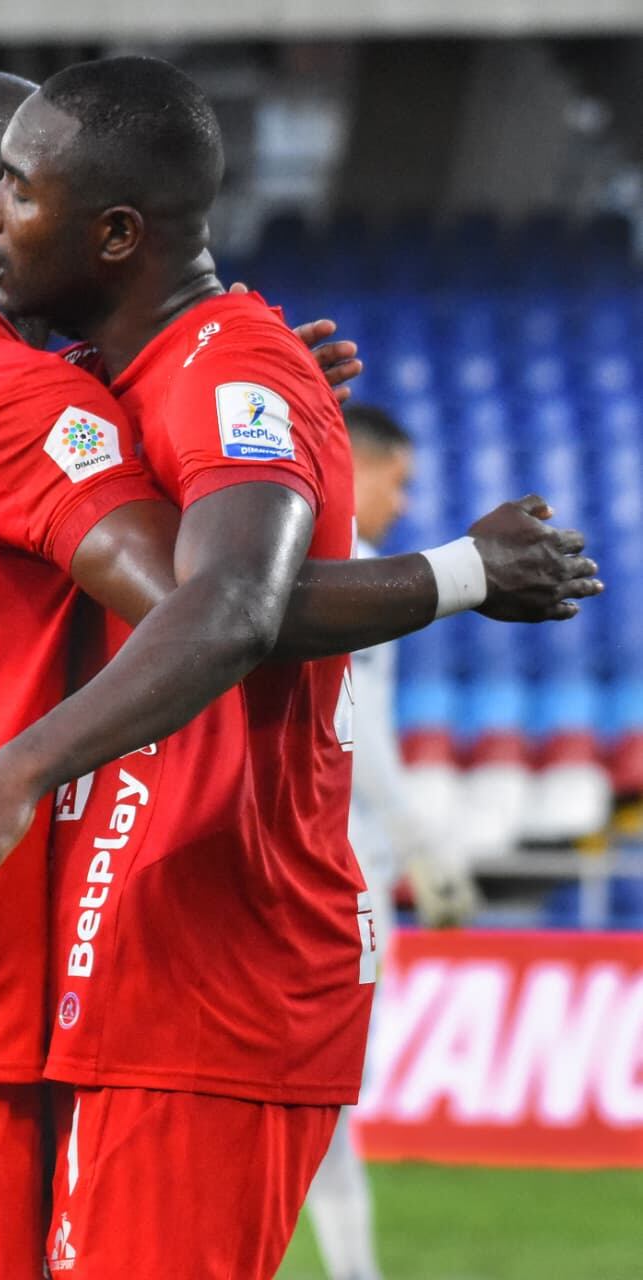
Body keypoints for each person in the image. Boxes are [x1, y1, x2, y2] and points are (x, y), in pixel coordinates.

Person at [0, 56, 602, 1280]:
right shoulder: (157, 375)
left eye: (18, 186)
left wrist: (8, 777)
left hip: (217, 965)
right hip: (140, 952)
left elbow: (226, 607)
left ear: (114, 233)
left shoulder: (224, 369)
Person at [303, 404, 475, 1280]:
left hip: (292, 863)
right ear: (357, 467)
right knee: (325, 1097)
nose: (403, 505)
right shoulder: (357, 567)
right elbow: (354, 720)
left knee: (310, 1101)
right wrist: (418, 844)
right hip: (340, 875)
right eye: (397, 482)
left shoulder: (283, 553)